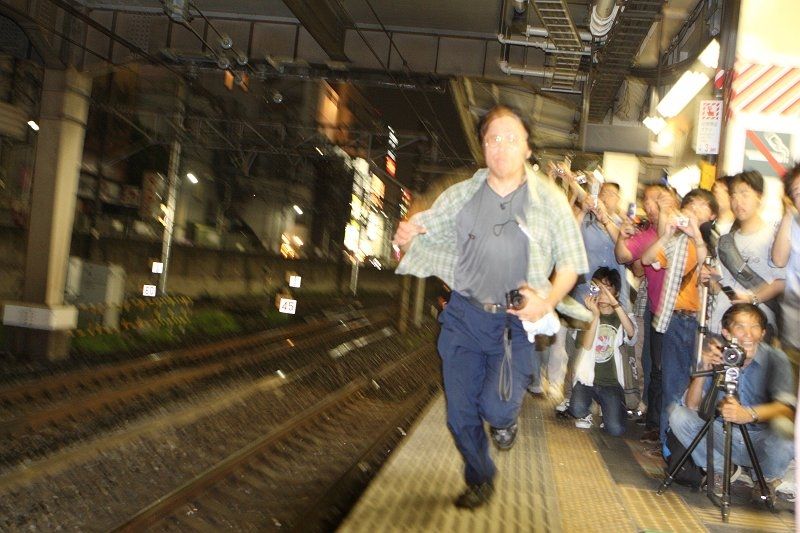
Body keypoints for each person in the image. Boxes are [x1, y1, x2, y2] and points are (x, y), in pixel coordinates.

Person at [392, 105, 589, 509]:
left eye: (511, 139)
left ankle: (503, 422)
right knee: (459, 416)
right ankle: (480, 477)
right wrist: (406, 237)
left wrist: (546, 300)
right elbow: (422, 234)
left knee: (496, 409)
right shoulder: (461, 196)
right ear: (483, 147)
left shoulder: (548, 200)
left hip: (513, 323)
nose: (501, 147)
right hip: (464, 316)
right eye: (493, 139)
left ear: (527, 148)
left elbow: (571, 263)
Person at [669, 304, 795, 502]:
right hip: (722, 435)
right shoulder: (719, 355)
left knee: (786, 430)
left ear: (763, 333)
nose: (748, 334)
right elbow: (691, 405)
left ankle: (766, 479)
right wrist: (703, 369)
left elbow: (787, 408)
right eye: (740, 327)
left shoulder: (775, 359)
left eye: (754, 327)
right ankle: (723, 470)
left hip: (762, 439)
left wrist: (749, 414)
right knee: (678, 415)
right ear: (726, 332)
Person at [641, 188, 718, 456]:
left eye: (701, 205)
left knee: (697, 388)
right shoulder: (677, 241)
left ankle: (691, 450)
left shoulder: (717, 243)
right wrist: (667, 234)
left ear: (712, 215)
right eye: (691, 204)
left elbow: (710, 273)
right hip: (674, 320)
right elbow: (647, 259)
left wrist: (696, 234)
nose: (694, 209)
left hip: (703, 326)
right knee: (671, 386)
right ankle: (669, 450)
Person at [615, 184, 678, 446]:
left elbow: (667, 238)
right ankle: (655, 423)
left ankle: (665, 429)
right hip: (656, 310)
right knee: (654, 368)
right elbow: (623, 256)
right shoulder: (648, 234)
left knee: (668, 371)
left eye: (659, 200)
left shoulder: (683, 229)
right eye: (650, 201)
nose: (653, 205)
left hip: (680, 312)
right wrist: (621, 236)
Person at [707, 171, 785, 336]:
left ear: (759, 197)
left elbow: (781, 282)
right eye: (733, 195)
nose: (738, 201)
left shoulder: (774, 239)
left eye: (744, 194)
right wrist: (710, 280)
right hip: (721, 326)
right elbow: (718, 286)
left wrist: (752, 298)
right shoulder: (724, 242)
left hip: (754, 332)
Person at [568, 267, 637, 436]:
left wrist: (616, 304)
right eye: (598, 288)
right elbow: (586, 345)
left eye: (607, 289)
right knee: (576, 409)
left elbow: (632, 334)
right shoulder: (587, 315)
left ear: (616, 292)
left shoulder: (623, 316)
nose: (602, 294)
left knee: (616, 430)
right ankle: (588, 411)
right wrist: (595, 315)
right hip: (587, 380)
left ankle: (611, 410)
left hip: (611, 383)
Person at [771, 162, 800, 369]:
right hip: (793, 327)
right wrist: (788, 212)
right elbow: (779, 259)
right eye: (797, 193)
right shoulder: (791, 226)